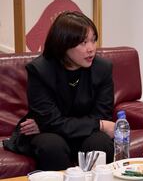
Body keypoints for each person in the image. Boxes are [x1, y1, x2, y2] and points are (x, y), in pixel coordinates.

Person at [4, 11, 115, 170]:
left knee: (100, 143)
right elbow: (52, 121)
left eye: (93, 40)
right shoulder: (40, 70)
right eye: (83, 43)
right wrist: (100, 125)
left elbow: (102, 115)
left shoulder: (103, 68)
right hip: (50, 134)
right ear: (63, 44)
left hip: (83, 132)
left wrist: (46, 124)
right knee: (52, 146)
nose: (91, 48)